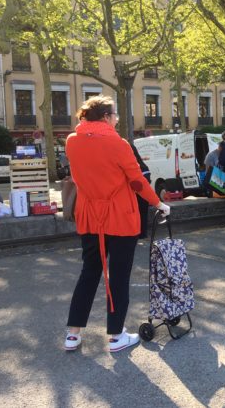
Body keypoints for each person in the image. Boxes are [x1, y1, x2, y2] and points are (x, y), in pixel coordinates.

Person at [64, 95, 170, 353]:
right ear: (106, 117)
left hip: (90, 215)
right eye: (115, 116)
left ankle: (73, 334)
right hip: (119, 216)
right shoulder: (117, 143)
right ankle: (115, 336)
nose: (117, 120)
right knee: (119, 277)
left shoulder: (71, 141)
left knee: (89, 272)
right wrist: (159, 203)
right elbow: (136, 181)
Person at [131, 143, 152, 239]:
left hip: (139, 196)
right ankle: (142, 234)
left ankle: (140, 234)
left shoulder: (138, 167)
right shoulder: (143, 166)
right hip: (143, 196)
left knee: (140, 215)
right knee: (142, 215)